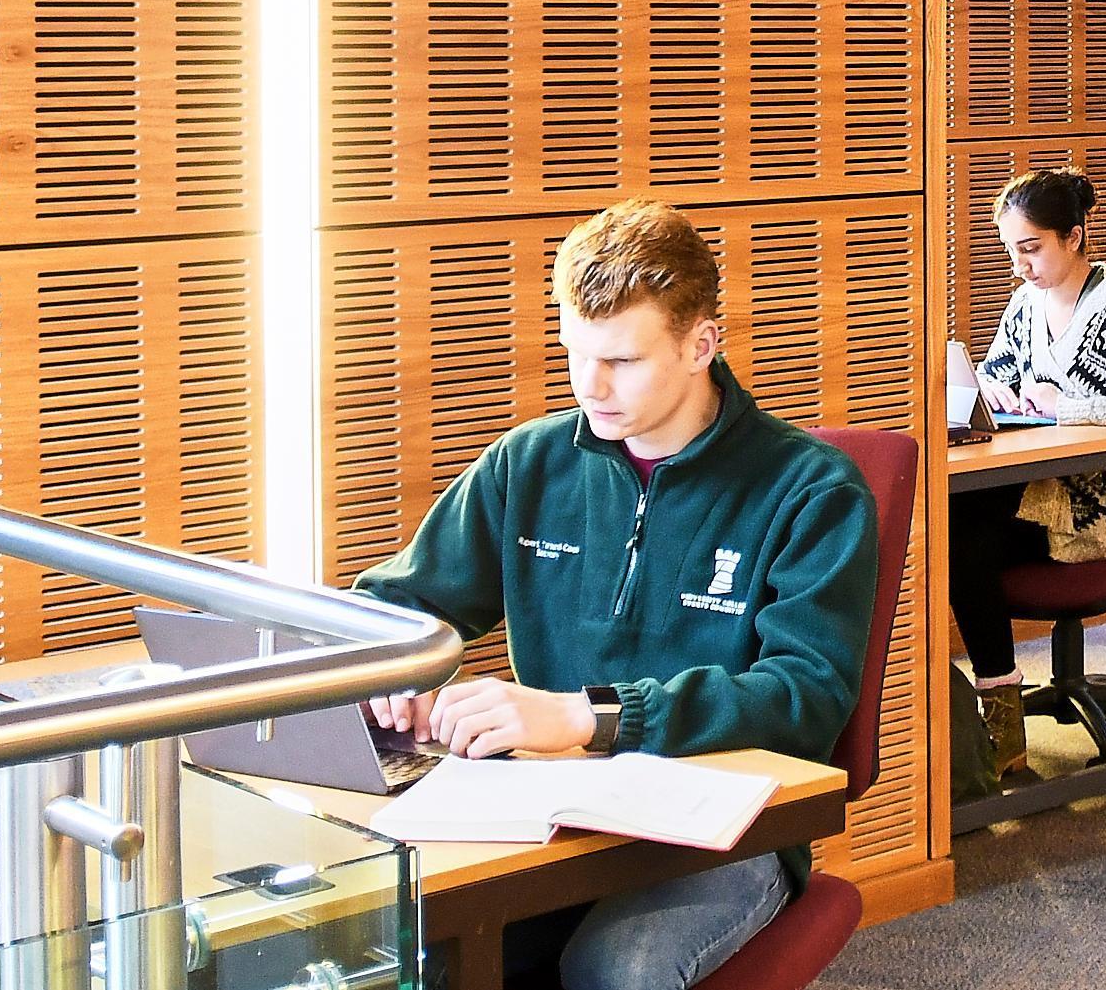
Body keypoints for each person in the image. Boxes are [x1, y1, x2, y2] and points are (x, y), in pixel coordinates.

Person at [348, 200, 881, 990]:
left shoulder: (811, 490)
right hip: (555, 811)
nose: (589, 385)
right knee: (409, 946)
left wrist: (588, 715)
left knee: (614, 969)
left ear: (702, 342)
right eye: (574, 352)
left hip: (728, 825)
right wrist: (390, 665)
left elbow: (805, 696)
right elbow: (401, 605)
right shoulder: (527, 463)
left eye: (623, 361)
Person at [950, 170, 1106, 778]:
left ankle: (999, 723)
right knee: (957, 525)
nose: (1019, 267)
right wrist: (986, 395)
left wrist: (1069, 406)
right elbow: (1000, 376)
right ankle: (998, 715)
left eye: (1031, 250)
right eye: (1012, 251)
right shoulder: (1026, 303)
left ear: (1076, 236)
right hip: (1047, 484)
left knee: (966, 538)